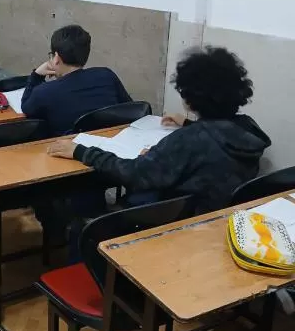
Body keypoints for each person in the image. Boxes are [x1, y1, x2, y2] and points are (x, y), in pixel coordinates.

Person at [48, 45, 271, 215]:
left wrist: (81, 151)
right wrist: (186, 127)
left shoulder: (188, 141)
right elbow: (215, 143)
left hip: (173, 221)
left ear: (190, 99)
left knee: (83, 225)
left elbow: (135, 173)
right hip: (221, 217)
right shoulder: (248, 128)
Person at [21, 24, 132, 136]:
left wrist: (36, 76)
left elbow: (26, 109)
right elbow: (129, 107)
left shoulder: (44, 92)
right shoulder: (106, 75)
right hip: (109, 140)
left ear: (56, 58)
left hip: (68, 145)